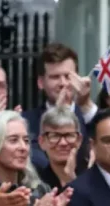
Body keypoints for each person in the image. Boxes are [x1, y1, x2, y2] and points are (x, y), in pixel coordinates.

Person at [23, 43, 94, 174]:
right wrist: (56, 117)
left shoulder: (90, 117)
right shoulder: (26, 122)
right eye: (55, 77)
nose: (62, 83)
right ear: (40, 82)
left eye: (68, 76)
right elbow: (35, 163)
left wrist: (86, 104)